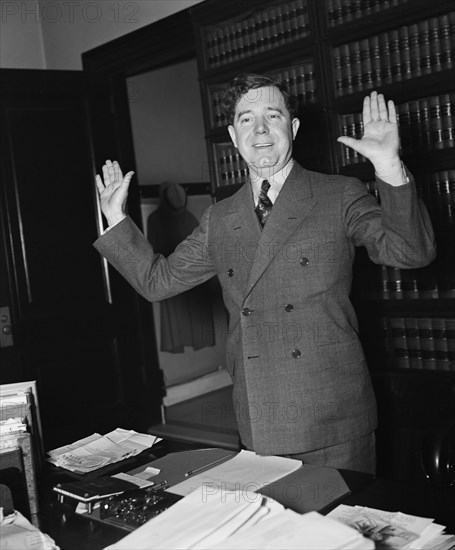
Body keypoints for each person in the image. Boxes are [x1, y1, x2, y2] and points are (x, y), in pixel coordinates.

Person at [94, 73, 436, 474]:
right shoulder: (220, 218)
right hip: (260, 416)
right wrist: (116, 218)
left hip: (333, 417)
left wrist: (389, 167)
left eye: (272, 116)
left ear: (292, 128)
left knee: (337, 533)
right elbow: (157, 281)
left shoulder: (337, 194)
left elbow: (411, 252)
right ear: (233, 135)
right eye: (246, 119)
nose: (259, 130)